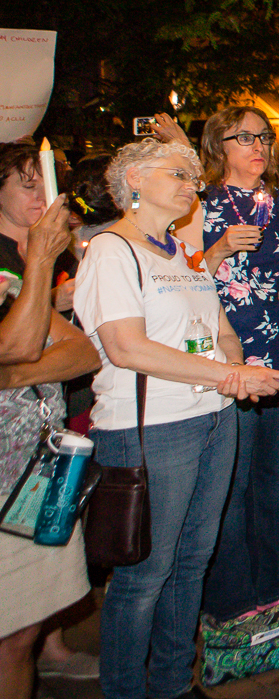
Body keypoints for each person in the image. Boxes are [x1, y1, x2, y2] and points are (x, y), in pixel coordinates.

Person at [74, 139, 279, 699]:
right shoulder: (111, 250)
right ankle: (125, 689)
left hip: (213, 418)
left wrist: (239, 370)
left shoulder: (183, 254)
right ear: (135, 181)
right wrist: (226, 377)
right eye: (180, 174)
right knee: (145, 575)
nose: (193, 184)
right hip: (151, 428)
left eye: (195, 176)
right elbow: (125, 347)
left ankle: (172, 683)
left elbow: (221, 329)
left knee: (192, 561)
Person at [160, 106, 279, 625]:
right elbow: (181, 278)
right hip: (228, 355)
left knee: (270, 479)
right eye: (246, 137)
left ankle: (274, 586)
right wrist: (217, 248)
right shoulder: (197, 204)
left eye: (264, 137)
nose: (259, 146)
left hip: (278, 349)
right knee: (232, 485)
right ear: (220, 145)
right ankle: (233, 600)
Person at [0, 156, 101, 699]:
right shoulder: (20, 261)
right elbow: (18, 340)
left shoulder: (24, 265)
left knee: (22, 629)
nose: (42, 193)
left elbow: (82, 353)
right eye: (26, 182)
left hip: (35, 463)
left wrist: (11, 373)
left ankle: (52, 654)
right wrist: (38, 262)